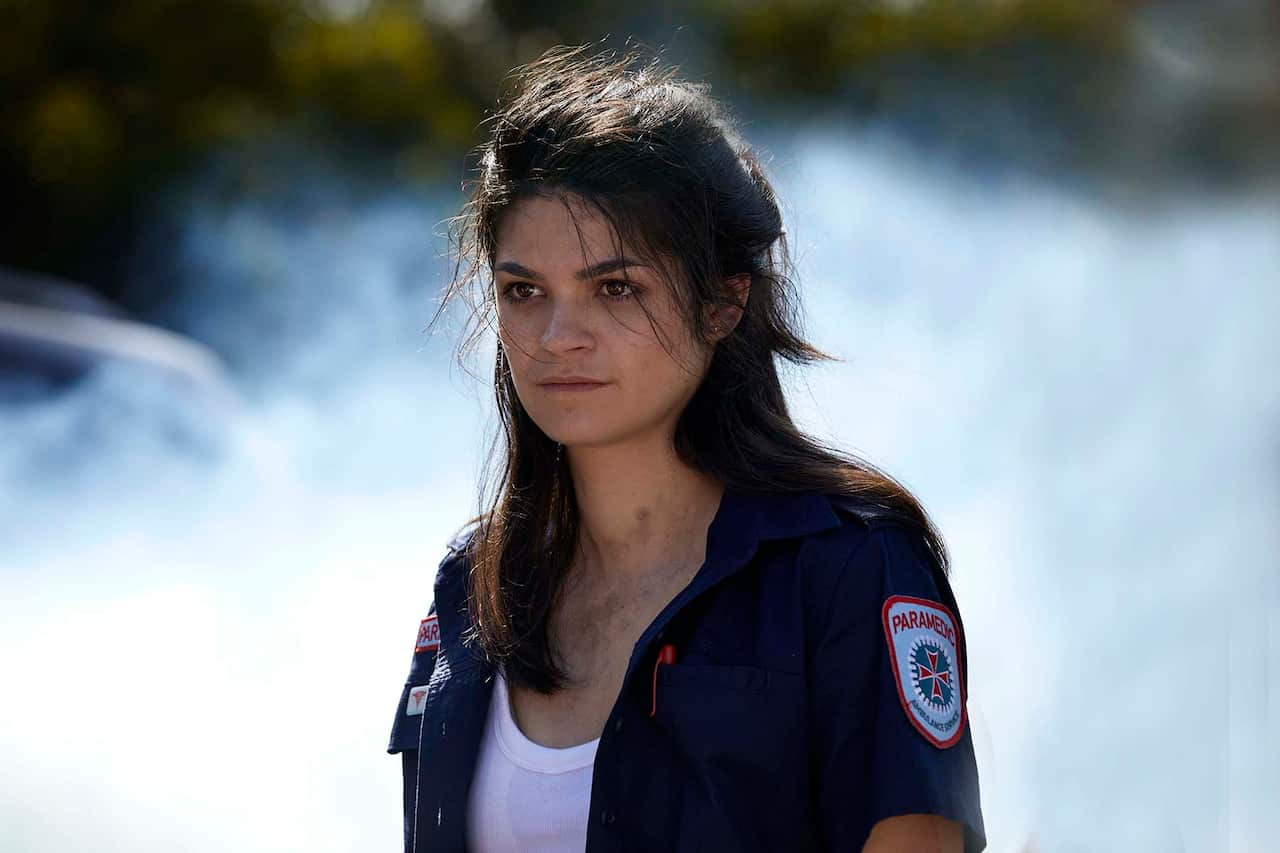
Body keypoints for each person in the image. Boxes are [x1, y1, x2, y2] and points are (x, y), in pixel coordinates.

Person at [388, 42, 986, 853]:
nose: (559, 336)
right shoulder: (474, 583)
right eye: (524, 291)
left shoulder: (850, 570)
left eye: (615, 288)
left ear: (723, 303)